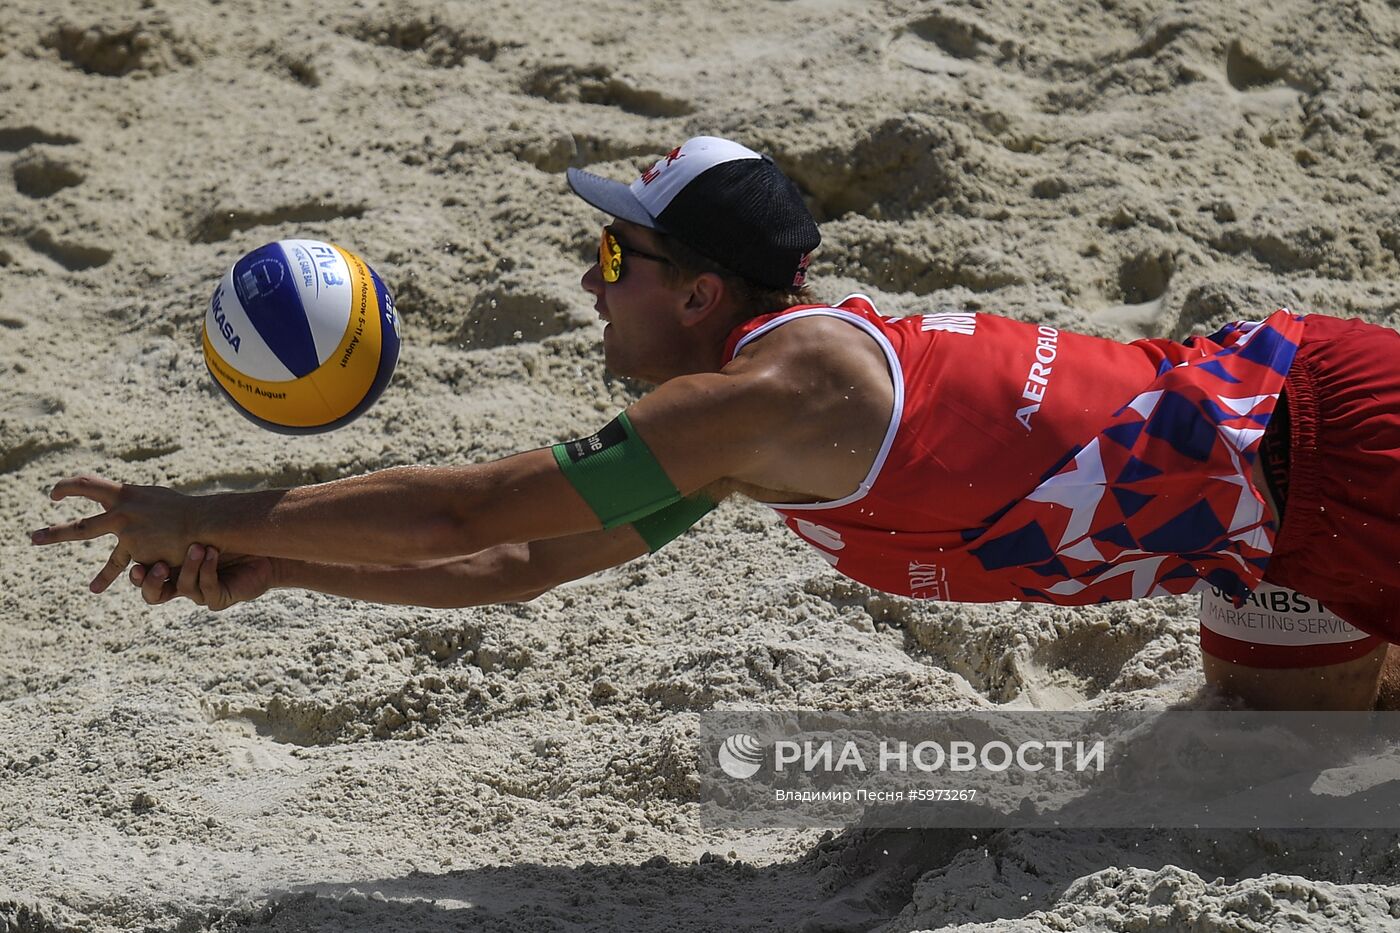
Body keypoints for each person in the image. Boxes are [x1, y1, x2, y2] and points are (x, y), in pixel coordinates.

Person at [30, 136, 1400, 710]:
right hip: (1265, 544)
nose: (586, 281)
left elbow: (468, 506)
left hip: (1346, 434)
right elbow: (515, 564)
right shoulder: (743, 427)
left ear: (698, 293)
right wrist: (283, 566)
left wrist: (197, 510)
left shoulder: (765, 398)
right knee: (1278, 749)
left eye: (612, 259)